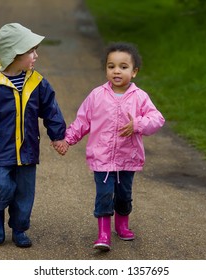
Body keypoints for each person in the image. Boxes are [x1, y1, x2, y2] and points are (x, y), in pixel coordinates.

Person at [57, 42, 165, 251]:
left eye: (123, 67)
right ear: (106, 69)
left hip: (128, 158)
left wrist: (138, 124)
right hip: (102, 158)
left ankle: (122, 225)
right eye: (111, 66)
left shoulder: (139, 97)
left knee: (124, 194)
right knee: (104, 194)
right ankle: (103, 233)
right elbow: (83, 121)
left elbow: (157, 119)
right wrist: (67, 139)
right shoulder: (97, 95)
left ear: (134, 72)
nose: (116, 71)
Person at [0, 23, 67, 248]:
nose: (36, 55)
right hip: (0, 149)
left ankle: (19, 228)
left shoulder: (37, 83)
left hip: (27, 151)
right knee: (2, 185)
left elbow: (51, 110)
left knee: (25, 193)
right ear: (14, 54)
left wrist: (58, 136)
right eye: (31, 51)